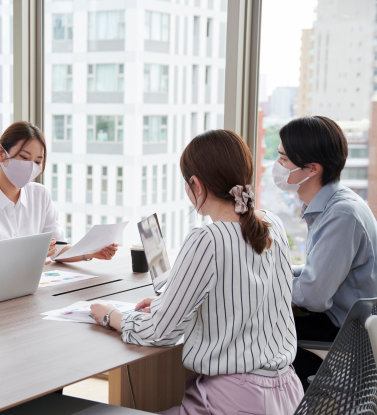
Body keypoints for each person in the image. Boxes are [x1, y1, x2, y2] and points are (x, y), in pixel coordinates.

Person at [91, 129, 303, 415]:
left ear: (196, 185)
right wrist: (173, 303)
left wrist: (110, 315)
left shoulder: (208, 239)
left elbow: (159, 333)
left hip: (234, 400)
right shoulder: (272, 223)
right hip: (287, 394)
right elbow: (249, 297)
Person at [274, 116, 377, 390]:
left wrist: (269, 282)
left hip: (349, 341)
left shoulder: (341, 214)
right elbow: (321, 272)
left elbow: (313, 296)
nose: (277, 166)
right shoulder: (336, 204)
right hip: (352, 326)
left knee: (257, 332)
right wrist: (287, 273)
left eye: (283, 159)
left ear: (311, 169)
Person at [0, 121, 118, 273]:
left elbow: (56, 248)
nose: (31, 167)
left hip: (25, 282)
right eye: (24, 157)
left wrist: (91, 252)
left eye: (37, 161)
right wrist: (35, 251)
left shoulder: (40, 194)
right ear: (1, 154)